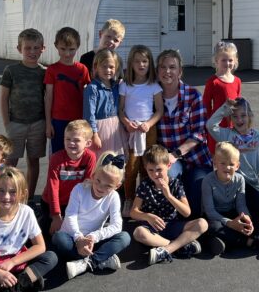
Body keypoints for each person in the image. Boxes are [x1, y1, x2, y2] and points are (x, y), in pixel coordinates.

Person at [51, 152, 131, 279]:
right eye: (98, 181)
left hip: (91, 241)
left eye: (108, 186)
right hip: (71, 237)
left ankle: (87, 263)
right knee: (59, 238)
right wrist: (79, 238)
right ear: (93, 176)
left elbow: (117, 225)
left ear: (117, 186)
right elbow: (70, 216)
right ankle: (101, 259)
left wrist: (93, 236)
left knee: (125, 237)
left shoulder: (113, 197)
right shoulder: (79, 189)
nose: (100, 187)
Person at [155, 49, 212, 214]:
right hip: (169, 158)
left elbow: (200, 132)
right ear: (157, 71)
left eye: (172, 67)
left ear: (180, 71)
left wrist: (177, 153)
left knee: (196, 190)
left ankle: (197, 228)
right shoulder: (152, 97)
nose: (167, 71)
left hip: (196, 159)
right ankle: (172, 223)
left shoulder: (193, 95)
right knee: (167, 178)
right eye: (163, 67)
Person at [130, 145, 208, 265]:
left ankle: (166, 250)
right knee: (138, 233)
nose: (155, 174)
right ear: (145, 168)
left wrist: (169, 196)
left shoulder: (176, 184)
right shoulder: (145, 185)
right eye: (150, 170)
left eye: (159, 170)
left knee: (202, 223)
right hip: (153, 229)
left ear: (168, 166)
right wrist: (148, 217)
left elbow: (186, 212)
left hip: (173, 225)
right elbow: (133, 212)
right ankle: (178, 246)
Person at [206, 97, 259, 226]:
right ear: (230, 118)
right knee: (236, 212)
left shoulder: (258, 136)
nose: (239, 120)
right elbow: (210, 125)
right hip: (232, 184)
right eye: (235, 116)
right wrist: (225, 109)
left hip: (251, 184)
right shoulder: (226, 135)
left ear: (250, 116)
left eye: (243, 115)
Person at [0, 28, 46, 203]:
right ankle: (7, 195)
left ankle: (28, 197)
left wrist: (46, 124)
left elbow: (47, 98)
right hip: (15, 124)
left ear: (43, 48)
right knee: (11, 162)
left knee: (33, 161)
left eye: (36, 48)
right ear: (19, 49)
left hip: (38, 124)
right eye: (28, 48)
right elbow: (4, 99)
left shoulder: (44, 72)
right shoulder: (11, 70)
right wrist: (7, 124)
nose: (32, 52)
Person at [118, 45, 163, 216]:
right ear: (131, 63)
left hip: (148, 130)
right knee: (131, 167)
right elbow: (120, 109)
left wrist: (149, 124)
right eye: (137, 61)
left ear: (149, 63)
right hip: (131, 130)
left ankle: (144, 200)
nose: (141, 65)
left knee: (147, 166)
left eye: (144, 61)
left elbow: (159, 110)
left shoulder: (154, 86)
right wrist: (127, 122)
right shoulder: (125, 85)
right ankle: (129, 198)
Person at [40, 120, 97, 236]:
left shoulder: (90, 157)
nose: (71, 143)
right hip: (51, 202)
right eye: (68, 139)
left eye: (76, 140)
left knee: (72, 232)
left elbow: (87, 184)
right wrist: (56, 215)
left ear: (88, 143)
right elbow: (53, 187)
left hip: (73, 203)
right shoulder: (56, 158)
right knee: (48, 233)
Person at [201, 142, 258, 255]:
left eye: (231, 164)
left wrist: (247, 219)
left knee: (255, 219)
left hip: (231, 212)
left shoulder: (239, 179)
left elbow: (241, 205)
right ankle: (247, 241)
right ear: (215, 163)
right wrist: (230, 223)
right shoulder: (208, 180)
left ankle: (223, 241)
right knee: (212, 226)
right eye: (223, 163)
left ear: (237, 166)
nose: (227, 167)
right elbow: (210, 211)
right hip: (215, 216)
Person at [44, 27, 90, 155]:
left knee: (78, 155)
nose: (67, 54)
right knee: (58, 155)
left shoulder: (82, 69)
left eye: (71, 49)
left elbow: (88, 96)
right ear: (56, 46)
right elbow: (48, 97)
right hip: (58, 120)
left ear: (78, 47)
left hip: (79, 120)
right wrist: (48, 123)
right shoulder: (52, 70)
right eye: (63, 49)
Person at [84, 50, 127, 156]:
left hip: (115, 129)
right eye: (104, 66)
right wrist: (94, 134)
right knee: (101, 160)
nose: (108, 70)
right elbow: (89, 114)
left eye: (111, 67)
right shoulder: (92, 88)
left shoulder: (117, 86)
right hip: (100, 130)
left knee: (115, 161)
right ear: (96, 67)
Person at [203, 41, 242, 155]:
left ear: (235, 61)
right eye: (223, 60)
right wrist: (209, 124)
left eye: (230, 60)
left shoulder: (237, 81)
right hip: (217, 126)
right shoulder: (213, 82)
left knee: (232, 154)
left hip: (233, 125)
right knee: (217, 154)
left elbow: (238, 104)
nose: (227, 63)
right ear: (216, 61)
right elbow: (206, 105)